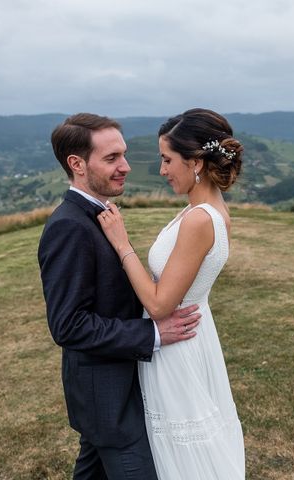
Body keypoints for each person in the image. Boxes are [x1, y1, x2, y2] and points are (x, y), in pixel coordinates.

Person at [37, 113, 202, 480]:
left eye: (123, 155)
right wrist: (154, 334)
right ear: (77, 165)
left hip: (116, 394)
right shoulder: (68, 227)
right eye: (112, 159)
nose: (126, 167)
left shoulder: (100, 215)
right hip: (107, 400)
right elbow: (68, 326)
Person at [98, 108, 245, 479]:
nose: (161, 170)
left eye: (167, 160)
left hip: (177, 344)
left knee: (183, 456)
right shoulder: (206, 210)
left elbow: (161, 303)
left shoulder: (199, 219)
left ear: (196, 162)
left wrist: (121, 243)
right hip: (192, 334)